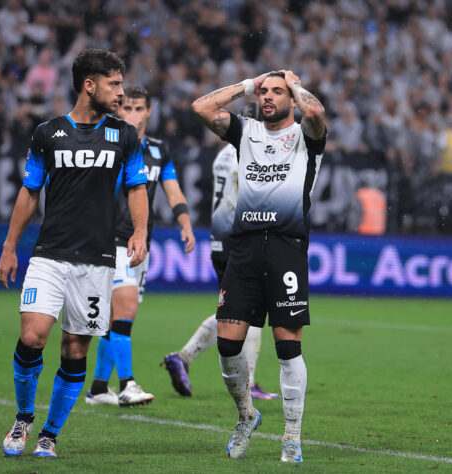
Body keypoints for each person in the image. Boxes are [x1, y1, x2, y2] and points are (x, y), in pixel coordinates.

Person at [0, 48, 148, 459]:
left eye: (121, 84)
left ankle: (50, 433)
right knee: (32, 336)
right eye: (114, 84)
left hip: (97, 260)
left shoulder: (125, 136)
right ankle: (25, 417)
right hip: (49, 253)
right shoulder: (48, 133)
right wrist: (10, 246)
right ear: (89, 85)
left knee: (75, 349)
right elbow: (30, 192)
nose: (120, 92)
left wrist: (140, 230)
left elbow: (136, 188)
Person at [192, 70, 326, 462]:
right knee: (228, 345)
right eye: (263, 92)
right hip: (245, 248)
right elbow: (201, 106)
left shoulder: (307, 136)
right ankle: (246, 415)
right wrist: (249, 84)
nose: (267, 97)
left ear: (292, 97)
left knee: (287, 348)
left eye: (275, 92)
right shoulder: (244, 131)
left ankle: (292, 435)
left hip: (286, 248)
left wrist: (294, 84)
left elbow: (316, 112)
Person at [85, 86, 196, 407]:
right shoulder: (109, 145)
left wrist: (185, 223)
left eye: (138, 109)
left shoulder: (159, 151)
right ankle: (128, 383)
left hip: (140, 244)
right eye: (127, 108)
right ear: (119, 111)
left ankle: (98, 388)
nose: (132, 114)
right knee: (126, 309)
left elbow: (172, 191)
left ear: (149, 112)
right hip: (110, 240)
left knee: (114, 318)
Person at [161, 103, 280, 402]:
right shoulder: (250, 151)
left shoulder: (223, 154)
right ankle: (248, 383)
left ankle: (183, 357)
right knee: (249, 312)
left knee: (233, 311)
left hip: (219, 240)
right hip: (240, 241)